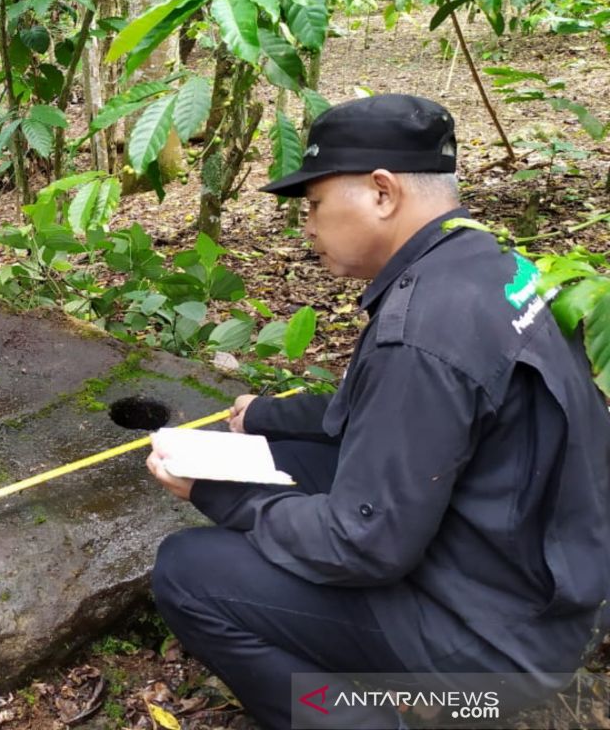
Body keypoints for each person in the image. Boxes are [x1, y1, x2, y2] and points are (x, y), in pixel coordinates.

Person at [144, 94, 610, 729]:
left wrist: (214, 493)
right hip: (540, 591)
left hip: (497, 657)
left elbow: (363, 546)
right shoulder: (484, 266)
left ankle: (355, 718)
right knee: (290, 460)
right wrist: (266, 418)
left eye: (313, 205)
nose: (306, 226)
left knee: (188, 570)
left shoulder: (421, 329)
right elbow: (391, 418)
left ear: (383, 192)